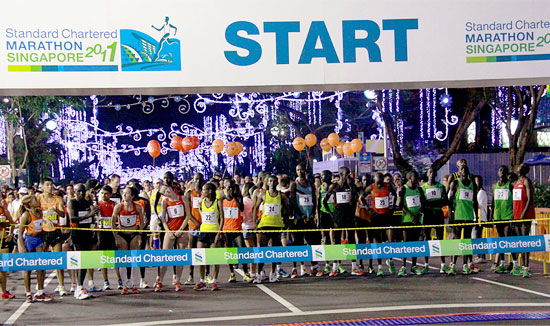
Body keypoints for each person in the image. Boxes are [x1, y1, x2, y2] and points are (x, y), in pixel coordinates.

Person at [324, 167, 364, 276]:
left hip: (349, 216)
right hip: (338, 216)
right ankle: (335, 266)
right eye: (346, 173)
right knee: (337, 240)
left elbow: (356, 197)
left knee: (351, 239)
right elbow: (324, 201)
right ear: (341, 174)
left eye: (349, 173)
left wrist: (351, 187)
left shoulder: (351, 186)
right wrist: (331, 214)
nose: (348, 175)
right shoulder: (334, 186)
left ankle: (354, 266)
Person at [17, 195, 54, 303]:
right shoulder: (26, 215)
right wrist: (23, 248)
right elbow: (20, 233)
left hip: (38, 240)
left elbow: (41, 228)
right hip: (29, 241)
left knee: (41, 267)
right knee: (27, 268)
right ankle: (28, 293)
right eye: (35, 200)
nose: (38, 201)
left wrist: (44, 242)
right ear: (29, 204)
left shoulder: (40, 213)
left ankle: (40, 292)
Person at [156, 184, 192, 292]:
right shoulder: (165, 202)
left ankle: (178, 281)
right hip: (170, 230)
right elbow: (163, 219)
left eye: (167, 189)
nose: (167, 191)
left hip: (182, 230)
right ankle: (160, 280)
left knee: (180, 256)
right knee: (165, 256)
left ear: (172, 188)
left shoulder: (183, 198)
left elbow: (188, 215)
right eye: (164, 191)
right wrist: (168, 231)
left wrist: (181, 229)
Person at [253, 175, 287, 283]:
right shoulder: (263, 194)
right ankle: (258, 275)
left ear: (277, 183)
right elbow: (255, 208)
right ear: (267, 183)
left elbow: (287, 208)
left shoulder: (281, 196)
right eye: (270, 181)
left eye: (274, 181)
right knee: (262, 250)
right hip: (264, 225)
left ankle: (273, 274)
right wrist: (255, 223)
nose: (272, 183)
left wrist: (285, 220)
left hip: (276, 225)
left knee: (275, 251)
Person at [38, 177, 69, 296]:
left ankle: (61, 286)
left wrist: (55, 210)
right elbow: (34, 211)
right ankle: (40, 287)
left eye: (51, 185)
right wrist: (45, 217)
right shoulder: (38, 198)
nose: (50, 187)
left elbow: (63, 214)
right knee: (42, 260)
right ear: (42, 187)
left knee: (57, 259)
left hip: (55, 231)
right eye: (47, 185)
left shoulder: (58, 199)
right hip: (43, 232)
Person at [68, 183, 99, 299]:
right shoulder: (72, 202)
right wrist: (89, 215)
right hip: (77, 234)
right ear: (74, 192)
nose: (81, 193)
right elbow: (73, 218)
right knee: (80, 260)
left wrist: (94, 214)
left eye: (83, 191)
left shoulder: (88, 202)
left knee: (86, 261)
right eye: (78, 191)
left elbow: (93, 216)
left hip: (87, 233)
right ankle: (78, 287)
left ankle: (81, 286)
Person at [112, 186, 145, 294]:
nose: (124, 196)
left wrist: (140, 235)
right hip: (122, 235)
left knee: (134, 259)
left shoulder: (138, 207)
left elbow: (141, 222)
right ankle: (125, 284)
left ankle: (135, 284)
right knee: (123, 260)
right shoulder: (118, 207)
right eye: (123, 193)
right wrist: (116, 236)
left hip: (134, 234)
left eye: (127, 194)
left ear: (132, 196)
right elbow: (112, 222)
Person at [289, 163, 319, 278]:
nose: (300, 171)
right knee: (298, 243)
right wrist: (301, 215)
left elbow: (314, 200)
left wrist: (311, 214)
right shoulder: (294, 185)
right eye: (298, 170)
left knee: (313, 242)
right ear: (296, 172)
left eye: (302, 170)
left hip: (310, 218)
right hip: (299, 218)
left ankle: (314, 266)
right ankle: (298, 267)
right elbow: (293, 202)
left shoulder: (310, 184)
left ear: (305, 171)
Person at [448, 165, 478, 275]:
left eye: (466, 169)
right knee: (456, 240)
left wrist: (476, 217)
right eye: (462, 169)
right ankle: (453, 264)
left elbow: (474, 201)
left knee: (466, 241)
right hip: (458, 216)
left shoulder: (472, 184)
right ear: (459, 172)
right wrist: (451, 216)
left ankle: (465, 265)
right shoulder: (455, 183)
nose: (464, 171)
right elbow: (450, 201)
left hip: (469, 216)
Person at [364, 172, 396, 276]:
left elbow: (395, 194)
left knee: (390, 238)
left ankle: (390, 260)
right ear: (374, 181)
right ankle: (380, 267)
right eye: (377, 182)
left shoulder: (388, 186)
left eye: (380, 182)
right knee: (378, 241)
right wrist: (368, 208)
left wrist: (393, 206)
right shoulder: (371, 188)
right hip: (376, 216)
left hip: (386, 215)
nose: (379, 185)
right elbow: (361, 197)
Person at [194, 182, 224, 291]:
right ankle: (202, 280)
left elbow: (222, 219)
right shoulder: (201, 202)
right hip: (204, 232)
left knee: (215, 257)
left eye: (204, 190)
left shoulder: (217, 202)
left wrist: (218, 234)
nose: (202, 192)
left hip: (214, 232)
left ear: (210, 191)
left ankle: (214, 281)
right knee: (200, 257)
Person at [397, 171, 426, 277]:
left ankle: (414, 266)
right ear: (409, 178)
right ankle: (403, 266)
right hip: (407, 220)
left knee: (415, 243)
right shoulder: (404, 189)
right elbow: (400, 205)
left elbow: (423, 204)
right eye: (415, 177)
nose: (417, 178)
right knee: (406, 242)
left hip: (417, 220)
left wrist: (417, 215)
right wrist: (410, 215)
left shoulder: (419, 189)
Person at [221, 179, 250, 282]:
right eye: (228, 188)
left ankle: (246, 273)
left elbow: (241, 208)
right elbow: (221, 216)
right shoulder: (221, 200)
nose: (229, 190)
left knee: (242, 249)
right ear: (225, 188)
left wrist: (234, 197)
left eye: (231, 188)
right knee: (229, 252)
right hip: (226, 229)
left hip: (237, 229)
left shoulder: (238, 198)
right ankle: (232, 273)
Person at [421, 167, 448, 274]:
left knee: (440, 238)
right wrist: (436, 202)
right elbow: (423, 203)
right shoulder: (423, 188)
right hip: (427, 215)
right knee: (427, 239)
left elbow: (445, 201)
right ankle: (426, 265)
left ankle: (443, 264)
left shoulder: (440, 186)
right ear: (427, 174)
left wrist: (431, 203)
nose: (431, 174)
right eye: (430, 172)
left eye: (433, 172)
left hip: (438, 215)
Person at [512, 163, 535, 278]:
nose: (518, 168)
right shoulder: (516, 182)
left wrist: (524, 213)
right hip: (516, 216)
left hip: (524, 215)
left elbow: (530, 198)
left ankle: (526, 267)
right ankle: (522, 266)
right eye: (519, 166)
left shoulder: (526, 181)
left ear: (525, 170)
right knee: (520, 241)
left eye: (521, 167)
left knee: (525, 240)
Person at [492, 166, 515, 274]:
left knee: (509, 240)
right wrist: (491, 217)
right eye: (500, 170)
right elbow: (493, 202)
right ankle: (501, 263)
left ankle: (515, 263)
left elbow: (515, 200)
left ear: (506, 173)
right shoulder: (495, 185)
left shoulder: (510, 185)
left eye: (503, 170)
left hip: (508, 215)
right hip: (498, 216)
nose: (501, 172)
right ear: (497, 172)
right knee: (501, 240)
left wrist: (514, 216)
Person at [183, 173, 204, 285]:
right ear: (193, 180)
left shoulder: (205, 193)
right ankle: (191, 275)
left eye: (200, 179)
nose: (198, 181)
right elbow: (188, 213)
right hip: (193, 225)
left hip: (205, 225)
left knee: (203, 251)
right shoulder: (189, 194)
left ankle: (205, 275)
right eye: (196, 179)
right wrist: (196, 223)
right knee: (192, 250)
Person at [97, 185, 117, 290]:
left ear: (110, 194)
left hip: (112, 233)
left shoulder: (114, 204)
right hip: (102, 233)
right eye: (102, 193)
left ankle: (120, 280)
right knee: (103, 257)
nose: (104, 196)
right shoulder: (98, 205)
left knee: (115, 257)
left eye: (106, 194)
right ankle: (106, 281)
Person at [317, 170, 335, 276]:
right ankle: (327, 262)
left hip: (334, 213)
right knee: (326, 239)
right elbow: (319, 202)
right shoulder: (321, 188)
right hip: (324, 213)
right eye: (322, 175)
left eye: (325, 175)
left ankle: (337, 263)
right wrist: (318, 217)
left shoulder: (334, 186)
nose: (323, 177)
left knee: (335, 238)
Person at [241, 182, 257, 282]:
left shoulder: (244, 201)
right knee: (254, 250)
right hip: (253, 227)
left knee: (250, 251)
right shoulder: (254, 201)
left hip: (246, 227)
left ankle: (252, 272)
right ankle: (253, 272)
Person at [0, 194, 15, 299]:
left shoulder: (4, 210)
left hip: (3, 240)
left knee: (3, 267)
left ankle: (4, 291)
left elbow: (12, 223)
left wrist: (10, 234)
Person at [471, 175, 487, 271]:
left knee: (478, 237)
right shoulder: (475, 192)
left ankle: (482, 256)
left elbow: (479, 205)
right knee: (476, 237)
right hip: (475, 217)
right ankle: (479, 255)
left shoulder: (481, 192)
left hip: (480, 217)